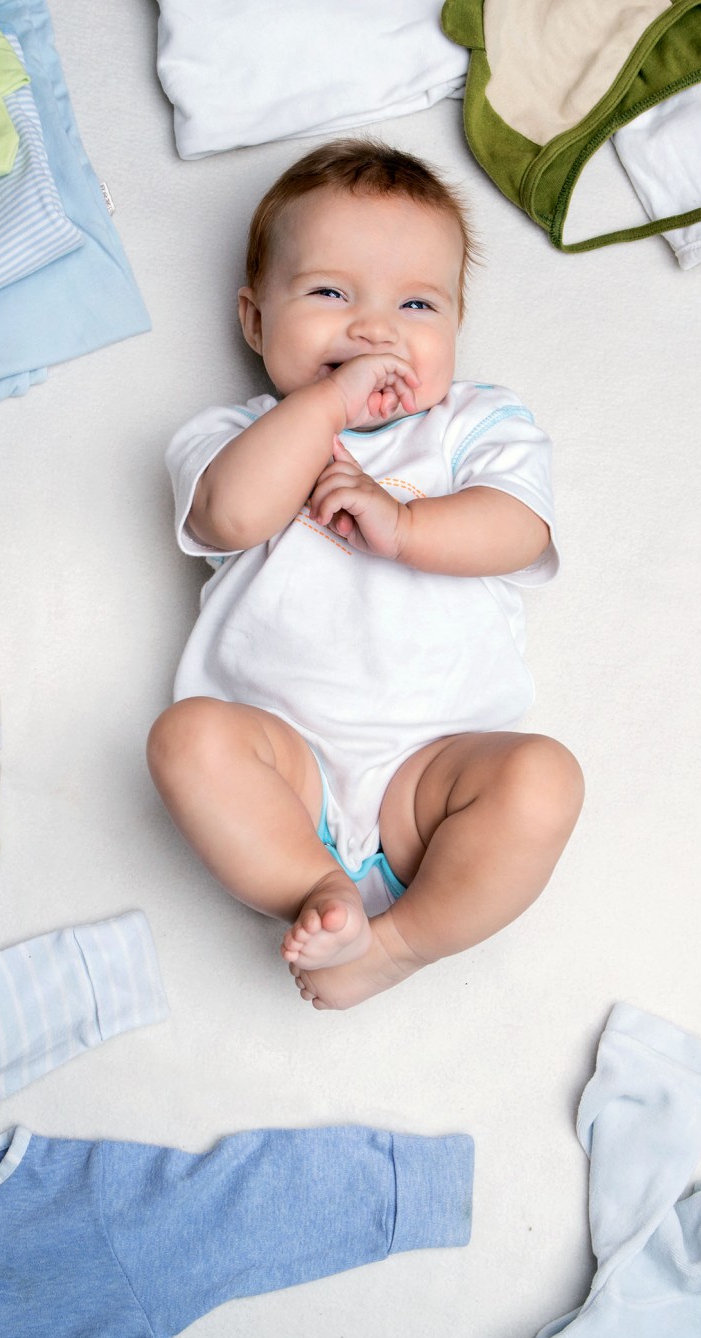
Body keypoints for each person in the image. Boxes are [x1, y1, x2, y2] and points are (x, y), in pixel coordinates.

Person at [149, 139, 582, 1010]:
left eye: (416, 303)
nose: (375, 330)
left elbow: (519, 527)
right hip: (285, 767)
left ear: (455, 326)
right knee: (185, 738)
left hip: (434, 776)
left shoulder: (475, 424)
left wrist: (408, 524)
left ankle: (396, 943)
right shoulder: (235, 437)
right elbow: (231, 515)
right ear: (254, 320)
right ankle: (319, 888)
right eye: (330, 294)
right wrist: (327, 405)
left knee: (546, 779)